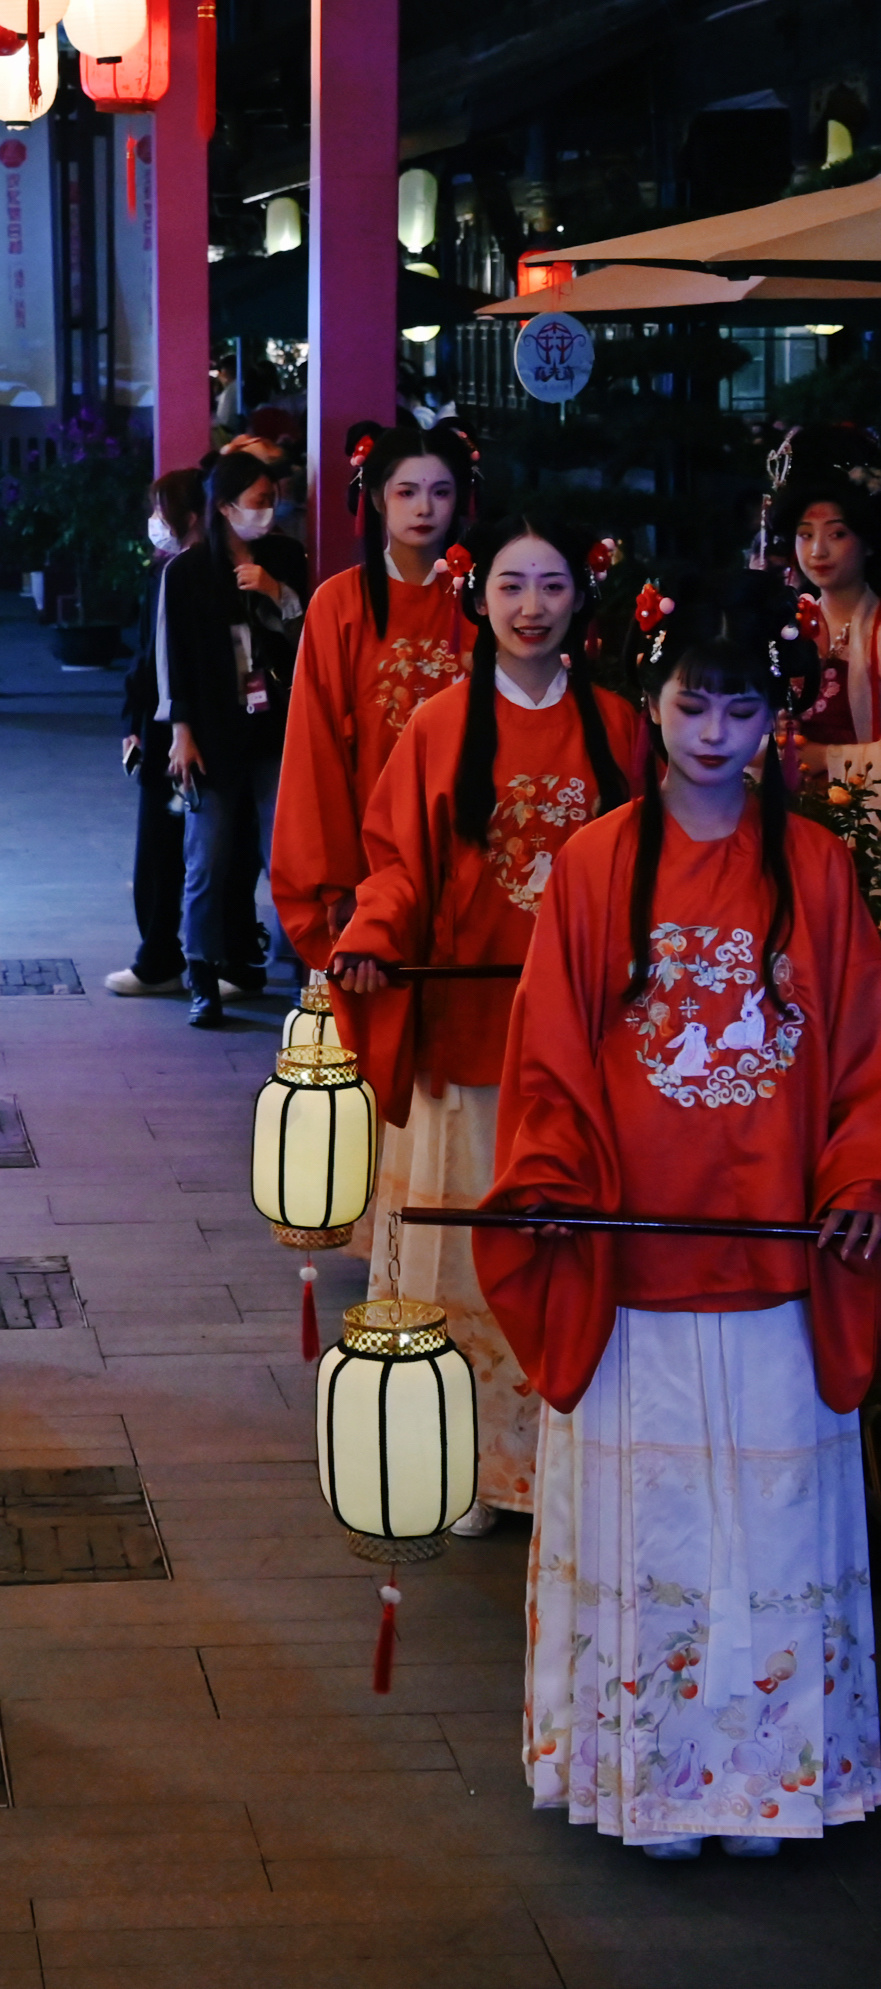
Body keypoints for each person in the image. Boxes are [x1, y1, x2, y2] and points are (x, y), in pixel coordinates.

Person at [478, 571, 881, 1859]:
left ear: (775, 723)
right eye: (692, 707)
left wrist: (859, 1177)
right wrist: (546, 1183)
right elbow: (546, 1056)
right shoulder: (593, 866)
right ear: (652, 708)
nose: (714, 734)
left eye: (741, 711)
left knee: (765, 1524)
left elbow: (865, 1055)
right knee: (649, 1526)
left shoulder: (816, 869)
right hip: (636, 1253)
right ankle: (642, 1783)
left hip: (775, 1253)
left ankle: (765, 1785)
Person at [328, 517, 639, 1523]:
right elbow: (398, 866)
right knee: (464, 1256)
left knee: (566, 1251)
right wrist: (373, 934)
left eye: (551, 585)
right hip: (470, 1025)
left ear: (580, 600)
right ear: (478, 597)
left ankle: (564, 1459)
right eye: (511, 585)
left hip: (581, 1035)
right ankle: (464, 1463)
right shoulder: (438, 726)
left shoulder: (623, 727)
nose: (531, 606)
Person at [271, 422, 478, 970]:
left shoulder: (486, 600)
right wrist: (335, 880)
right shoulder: (338, 603)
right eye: (406, 491)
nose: (424, 508)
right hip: (371, 845)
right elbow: (315, 750)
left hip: (473, 842)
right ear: (377, 497)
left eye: (441, 491)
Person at [163, 449, 311, 1028]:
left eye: (272, 501)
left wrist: (276, 592)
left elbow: (312, 640)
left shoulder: (285, 556)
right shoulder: (187, 572)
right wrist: (181, 731)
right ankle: (201, 972)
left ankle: (303, 970)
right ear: (224, 508)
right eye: (256, 503)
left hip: (275, 726)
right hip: (214, 731)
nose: (267, 513)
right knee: (209, 855)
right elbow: (173, 659)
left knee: (286, 854)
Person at [106, 469, 204, 1000]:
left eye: (160, 512)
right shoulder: (178, 569)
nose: (154, 523)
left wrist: (140, 724)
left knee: (162, 852)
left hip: (171, 729)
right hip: (164, 723)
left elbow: (155, 662)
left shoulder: (179, 574)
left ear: (188, 517)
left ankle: (160, 956)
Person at [769, 438, 881, 775]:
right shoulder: (786, 625)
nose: (818, 551)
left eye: (837, 535)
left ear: (869, 543)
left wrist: (823, 757)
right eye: (805, 535)